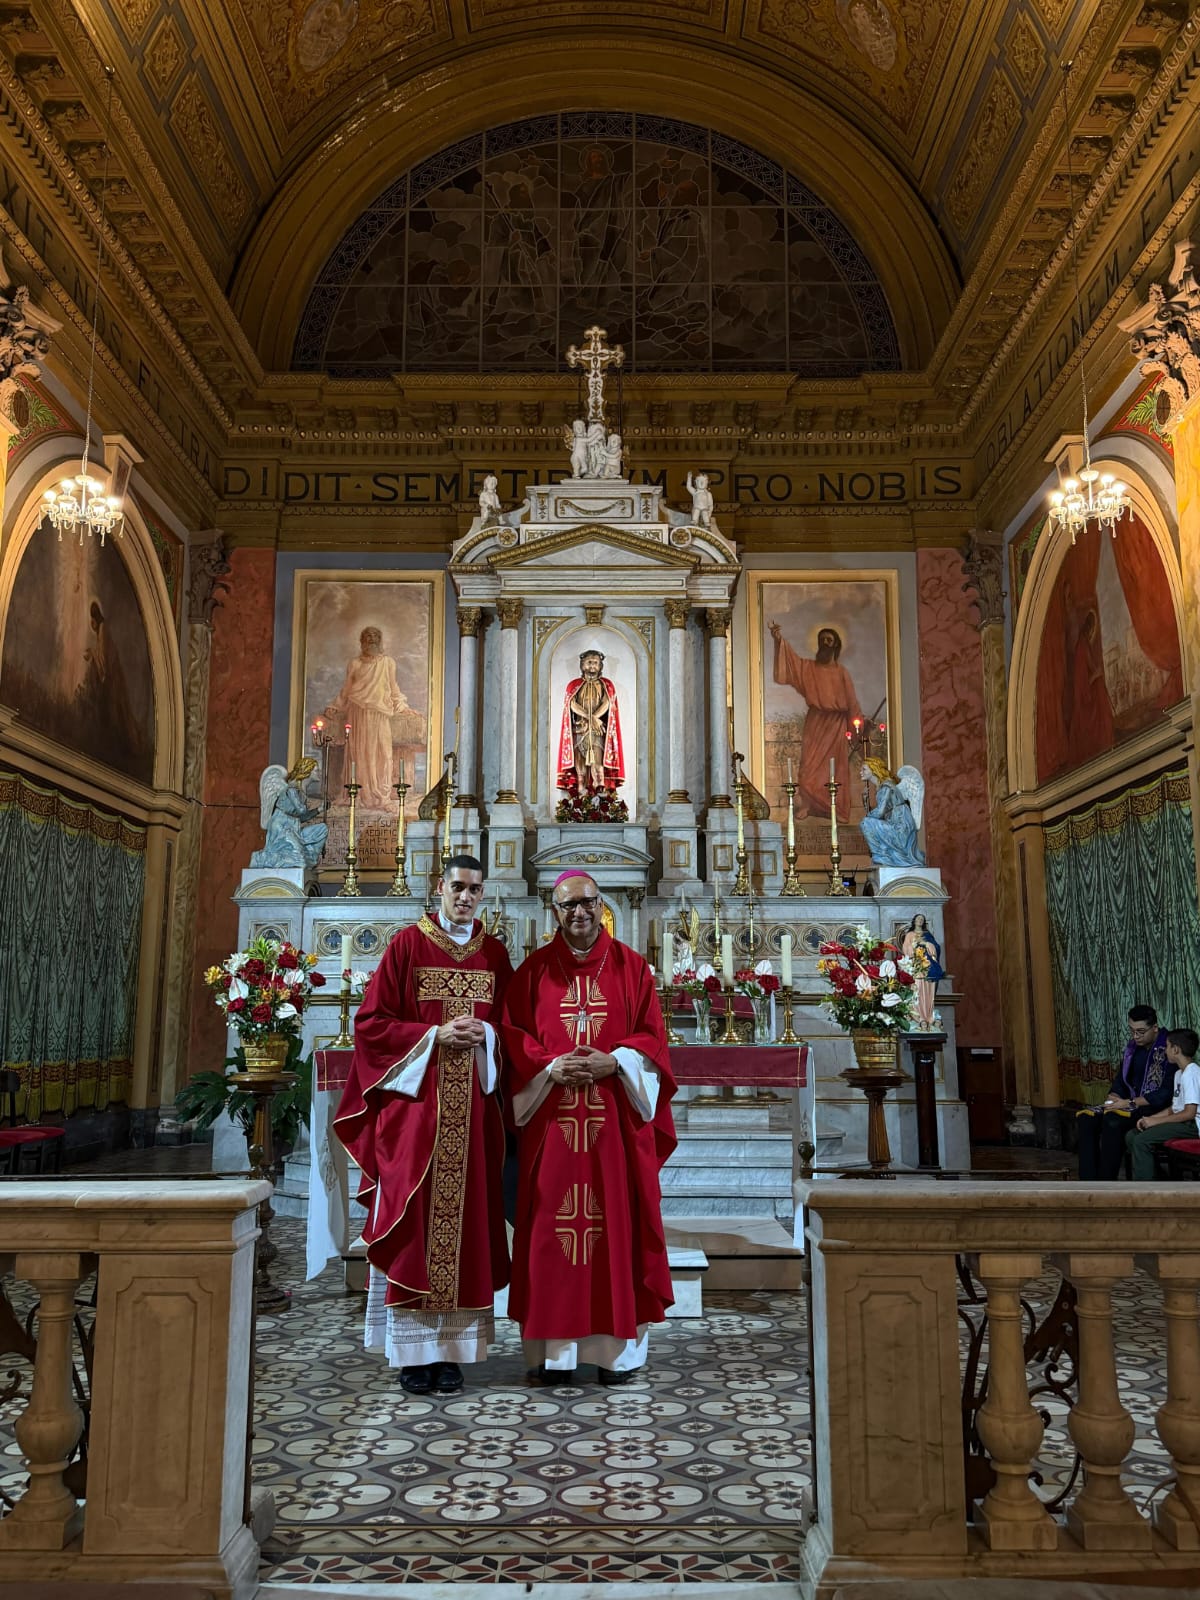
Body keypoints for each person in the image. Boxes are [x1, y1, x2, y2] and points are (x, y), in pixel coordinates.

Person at [334, 855, 512, 1395]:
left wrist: (488, 1037)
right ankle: (413, 1354)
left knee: (467, 1229)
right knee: (412, 1225)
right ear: (440, 886)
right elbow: (372, 1024)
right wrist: (435, 1035)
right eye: (458, 886)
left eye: (475, 889)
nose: (465, 897)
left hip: (473, 1118)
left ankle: (452, 1354)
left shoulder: (494, 954)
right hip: (416, 1117)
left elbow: (512, 1027)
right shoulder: (407, 946)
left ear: (483, 894)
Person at [498, 871, 676, 1386]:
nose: (578, 912)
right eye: (567, 905)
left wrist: (616, 1061)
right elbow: (512, 1038)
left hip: (613, 1126)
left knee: (616, 1229)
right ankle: (554, 1356)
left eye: (587, 903)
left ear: (602, 906)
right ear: (554, 912)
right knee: (549, 1232)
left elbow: (653, 1039)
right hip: (550, 1123)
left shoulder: (632, 968)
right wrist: (550, 1067)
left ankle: (615, 1356)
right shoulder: (532, 972)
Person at [769, 621, 863, 818]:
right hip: (815, 722)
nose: (825, 643)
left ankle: (835, 808)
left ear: (836, 645)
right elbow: (792, 664)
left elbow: (852, 702)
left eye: (829, 640)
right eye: (822, 640)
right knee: (809, 766)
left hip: (836, 726)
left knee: (835, 767)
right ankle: (808, 804)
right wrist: (779, 641)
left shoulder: (842, 673)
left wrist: (857, 728)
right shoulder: (808, 668)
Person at [1076, 1004, 1173, 1180]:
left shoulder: (1169, 1047)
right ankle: (1089, 1182)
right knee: (1086, 1118)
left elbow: (1166, 1093)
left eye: (1141, 1032)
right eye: (1132, 1031)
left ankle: (1107, 1182)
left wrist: (1129, 1103)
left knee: (1113, 1121)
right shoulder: (1133, 1048)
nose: (1135, 1036)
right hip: (1128, 1104)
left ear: (1155, 1027)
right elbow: (1122, 1078)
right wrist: (1115, 1095)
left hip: (1153, 1108)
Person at [325, 625, 409, 810]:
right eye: (368, 637)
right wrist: (335, 706)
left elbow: (393, 688)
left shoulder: (388, 663)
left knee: (382, 754)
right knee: (360, 754)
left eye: (375, 636)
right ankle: (359, 794)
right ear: (362, 641)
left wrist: (402, 706)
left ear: (380, 641)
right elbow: (347, 689)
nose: (372, 640)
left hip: (380, 714)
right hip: (358, 713)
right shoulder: (355, 664)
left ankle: (381, 796)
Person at [1126, 1028, 1200, 1179]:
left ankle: (1147, 1189)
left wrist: (1156, 1122)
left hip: (1193, 1126)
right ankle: (1158, 1178)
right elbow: (1175, 1108)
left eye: (1167, 1046)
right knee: (1132, 1135)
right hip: (1182, 1123)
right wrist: (1151, 1119)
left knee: (1141, 1140)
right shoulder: (1179, 1074)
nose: (1165, 1051)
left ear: (1176, 1049)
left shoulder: (1192, 1073)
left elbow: (1189, 1113)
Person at [556, 649, 626, 797]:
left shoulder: (606, 685)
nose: (592, 666)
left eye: (595, 663)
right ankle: (581, 796)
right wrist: (591, 718)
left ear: (600, 666)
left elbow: (608, 703)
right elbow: (571, 704)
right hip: (579, 729)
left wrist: (595, 717)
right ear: (582, 665)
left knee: (598, 766)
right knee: (580, 769)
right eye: (589, 662)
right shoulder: (574, 685)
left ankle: (601, 795)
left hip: (597, 731)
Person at [860, 759, 926, 867]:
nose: (861, 772)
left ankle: (882, 856)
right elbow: (880, 815)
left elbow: (880, 812)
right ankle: (882, 855)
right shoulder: (883, 786)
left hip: (900, 828)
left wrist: (868, 816)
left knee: (865, 823)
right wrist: (865, 803)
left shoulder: (886, 786)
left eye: (864, 769)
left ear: (874, 770)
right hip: (896, 824)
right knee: (868, 823)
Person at [901, 913, 943, 1029]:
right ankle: (918, 1016)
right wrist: (915, 945)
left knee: (928, 991)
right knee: (917, 990)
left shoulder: (927, 934)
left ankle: (928, 1016)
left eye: (922, 919)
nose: (920, 920)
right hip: (916, 967)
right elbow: (906, 949)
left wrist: (926, 943)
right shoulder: (910, 934)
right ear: (914, 920)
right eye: (918, 919)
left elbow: (936, 948)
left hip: (928, 967)